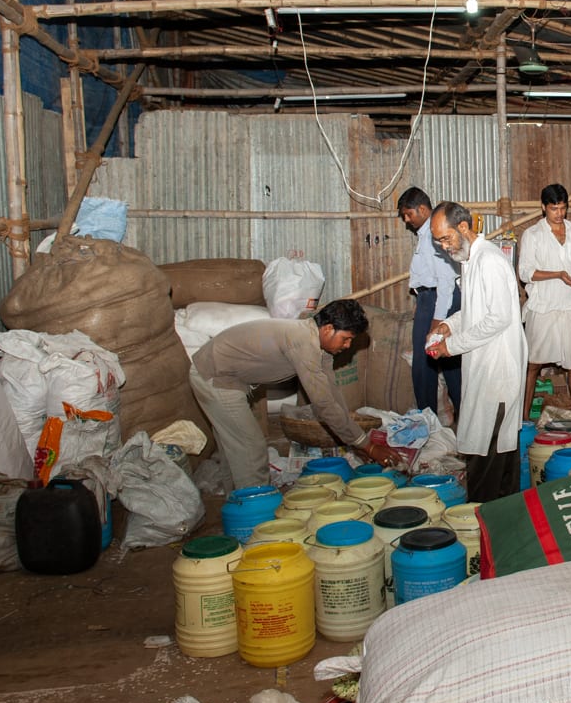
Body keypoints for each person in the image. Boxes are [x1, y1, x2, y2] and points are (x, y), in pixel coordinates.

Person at [189, 299, 401, 489]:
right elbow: (324, 405)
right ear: (328, 329)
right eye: (346, 339)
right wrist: (369, 446)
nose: (347, 346)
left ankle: (236, 505)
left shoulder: (319, 346)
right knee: (251, 449)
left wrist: (358, 442)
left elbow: (332, 394)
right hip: (215, 377)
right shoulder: (303, 343)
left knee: (235, 449)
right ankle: (256, 508)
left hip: (226, 376)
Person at [428, 201, 528, 502]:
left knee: (487, 454)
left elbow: (498, 318)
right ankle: (503, 512)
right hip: (484, 366)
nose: (444, 246)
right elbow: (474, 310)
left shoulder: (490, 261)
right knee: (497, 452)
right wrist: (449, 325)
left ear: (463, 227)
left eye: (446, 238)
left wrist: (451, 347)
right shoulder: (470, 260)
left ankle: (481, 514)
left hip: (498, 369)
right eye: (439, 242)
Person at [517, 183, 571, 405]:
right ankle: (524, 417)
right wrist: (558, 274)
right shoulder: (532, 235)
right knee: (533, 364)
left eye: (563, 208)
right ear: (543, 207)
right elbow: (525, 272)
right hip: (543, 307)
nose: (559, 213)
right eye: (554, 209)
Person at [397, 186, 462, 416]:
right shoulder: (426, 235)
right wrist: (421, 303)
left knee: (425, 363)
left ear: (423, 209)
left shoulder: (433, 236)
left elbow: (445, 280)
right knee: (449, 359)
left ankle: (427, 419)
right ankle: (462, 415)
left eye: (408, 214)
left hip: (439, 299)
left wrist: (437, 320)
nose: (406, 220)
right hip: (430, 299)